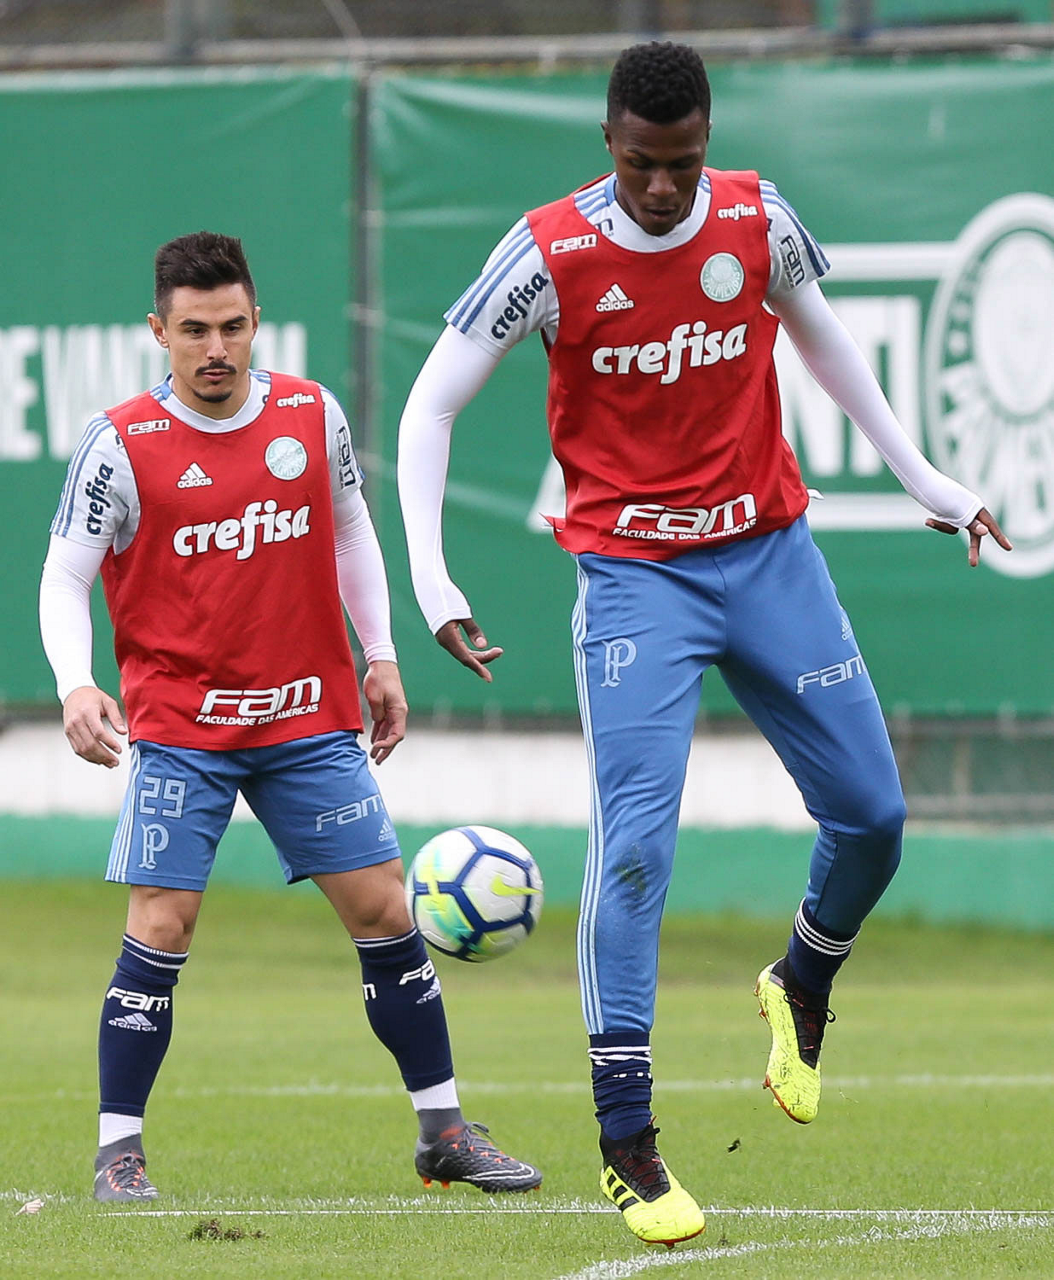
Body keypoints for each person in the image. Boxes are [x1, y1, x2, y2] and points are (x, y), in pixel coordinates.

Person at [397, 42, 1011, 1247]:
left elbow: (824, 341)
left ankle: (801, 979)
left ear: (706, 143)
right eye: (640, 163)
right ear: (608, 143)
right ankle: (626, 1136)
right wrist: (431, 577)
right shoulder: (548, 252)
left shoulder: (755, 217)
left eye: (680, 163)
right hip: (636, 579)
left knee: (875, 817)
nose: (661, 187)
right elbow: (432, 402)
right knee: (635, 847)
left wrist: (926, 478)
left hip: (771, 555)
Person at [38, 231, 541, 1203]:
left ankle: (444, 1130)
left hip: (306, 715)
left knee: (385, 909)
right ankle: (118, 1151)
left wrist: (380, 653)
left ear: (256, 320)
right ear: (159, 331)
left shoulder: (312, 415)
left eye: (232, 326)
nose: (216, 348)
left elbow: (350, 530)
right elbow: (65, 575)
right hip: (182, 726)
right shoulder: (120, 443)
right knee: (162, 922)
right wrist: (74, 681)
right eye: (194, 330)